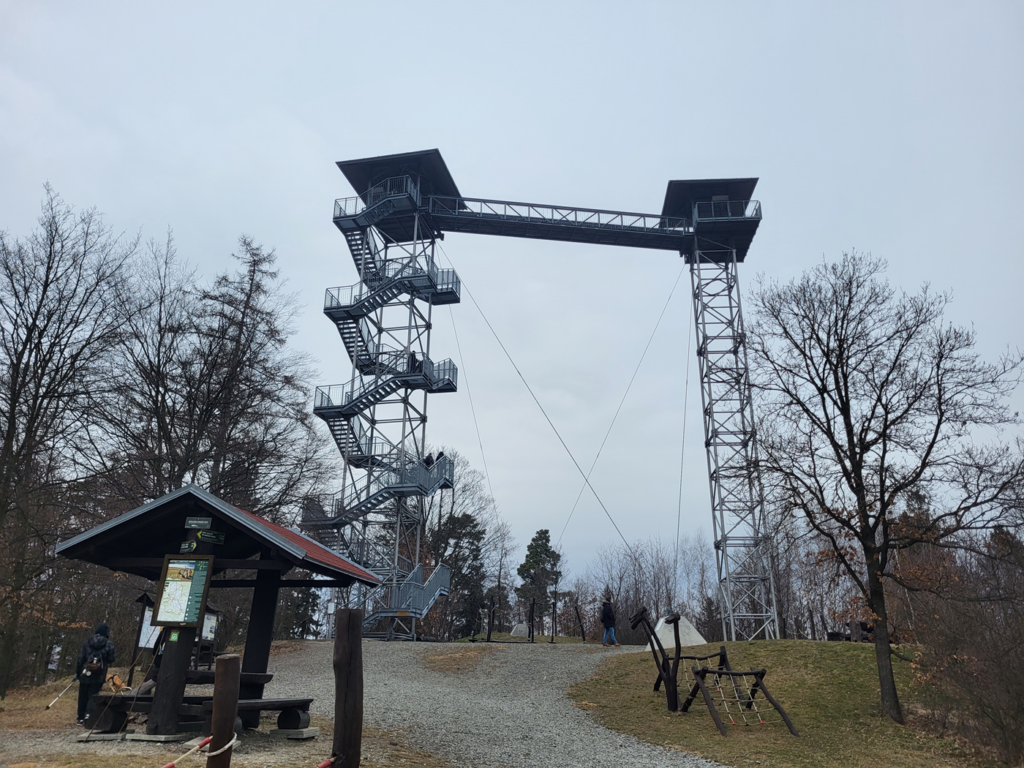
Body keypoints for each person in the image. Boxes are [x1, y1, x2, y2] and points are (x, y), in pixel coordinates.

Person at [76, 622, 116, 725]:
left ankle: (80, 717)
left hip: (85, 672)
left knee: (83, 695)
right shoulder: (109, 644)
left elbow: (80, 658)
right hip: (99, 674)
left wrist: (78, 672)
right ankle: (89, 715)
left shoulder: (87, 642)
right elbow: (111, 659)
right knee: (93, 695)